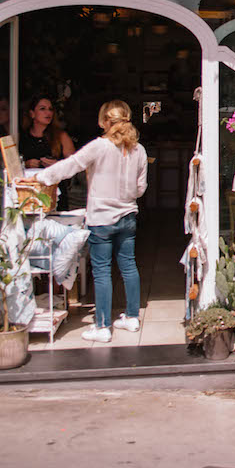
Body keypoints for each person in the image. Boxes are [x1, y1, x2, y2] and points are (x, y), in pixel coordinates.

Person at [30, 100, 148, 343]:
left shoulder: (100, 146)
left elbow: (71, 165)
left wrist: (43, 178)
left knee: (102, 271)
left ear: (104, 121)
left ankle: (103, 326)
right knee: (128, 265)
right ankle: (133, 317)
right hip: (127, 217)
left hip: (102, 219)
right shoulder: (139, 150)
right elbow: (140, 189)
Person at [18, 95, 75, 169]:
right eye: (42, 109)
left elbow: (74, 165)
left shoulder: (61, 136)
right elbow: (12, 166)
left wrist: (57, 165)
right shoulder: (22, 136)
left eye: (50, 109)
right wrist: (26, 164)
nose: (48, 112)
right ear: (32, 114)